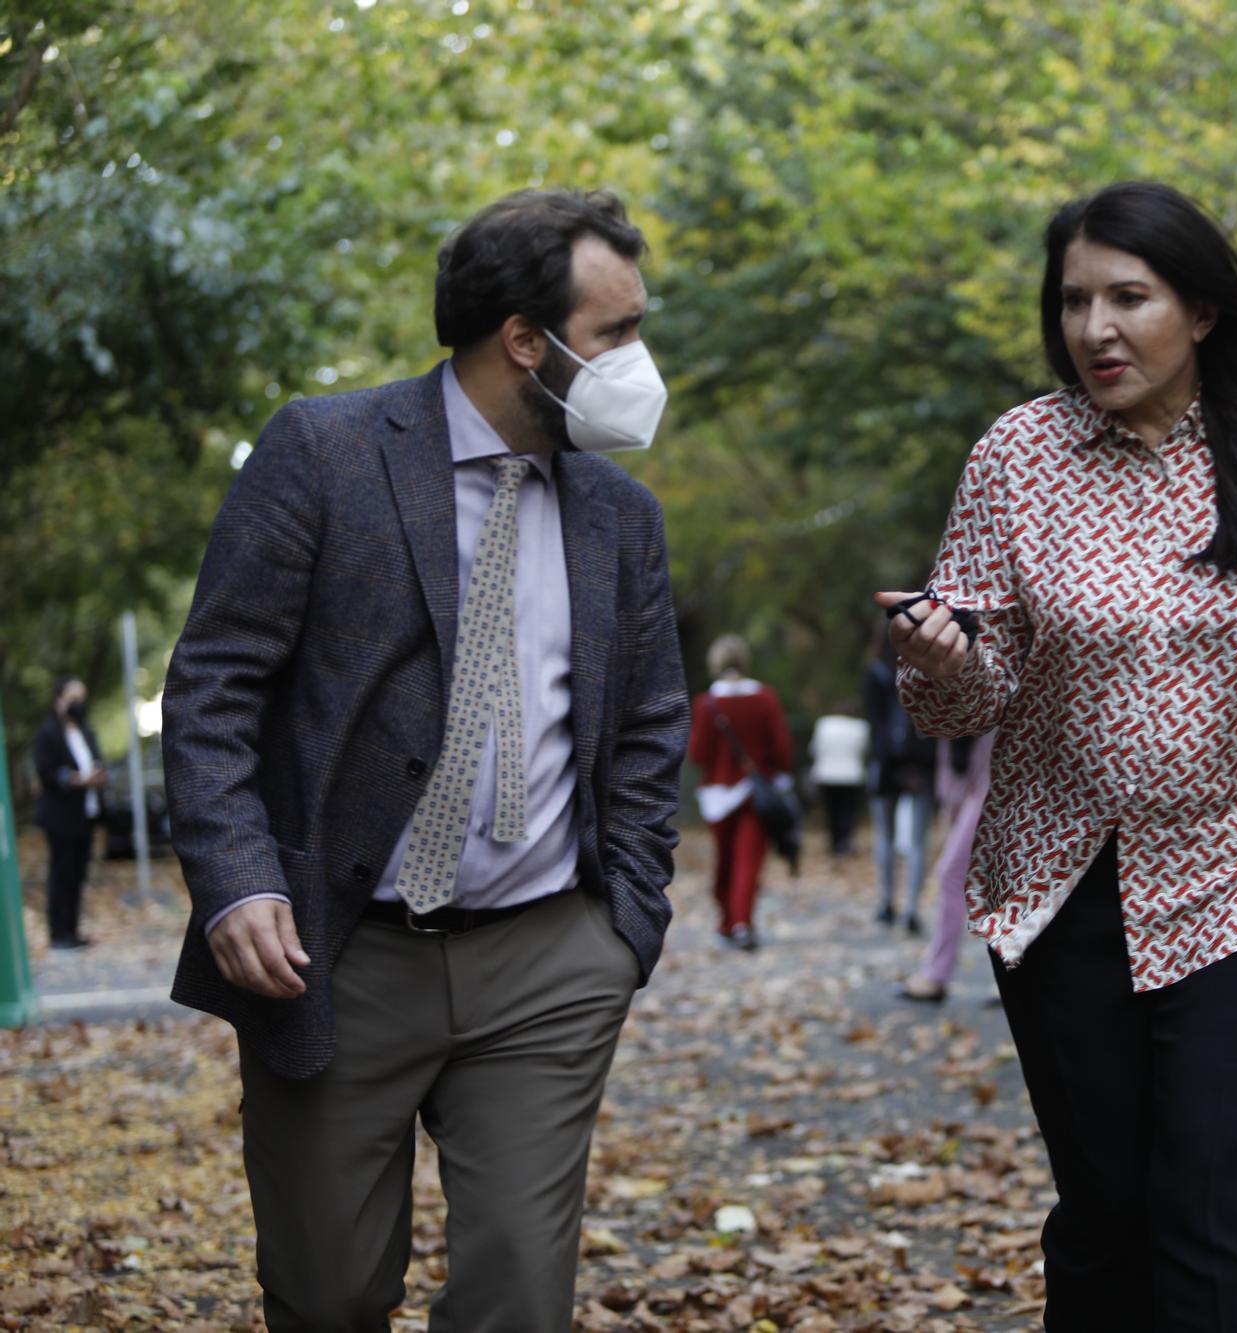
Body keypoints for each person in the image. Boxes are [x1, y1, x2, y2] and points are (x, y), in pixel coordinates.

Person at [877, 180, 1237, 1329]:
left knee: (1213, 1197)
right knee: (1108, 1207)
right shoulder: (1017, 456)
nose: (1095, 330)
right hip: (1064, 878)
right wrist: (934, 656)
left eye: (1129, 297)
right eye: (1073, 301)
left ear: (1203, 310)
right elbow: (972, 702)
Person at [162, 188, 687, 1330]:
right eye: (618, 333)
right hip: (336, 951)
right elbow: (213, 685)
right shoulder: (327, 451)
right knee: (330, 1292)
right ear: (523, 341)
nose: (640, 361)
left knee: (517, 1296)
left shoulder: (620, 517)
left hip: (547, 961)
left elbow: (649, 726)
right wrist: (238, 878)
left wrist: (623, 926)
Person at [687, 634, 794, 949]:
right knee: (748, 859)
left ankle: (724, 922)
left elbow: (697, 754)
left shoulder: (707, 704)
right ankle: (742, 922)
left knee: (724, 859)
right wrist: (777, 773)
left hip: (717, 797)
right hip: (754, 792)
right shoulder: (765, 698)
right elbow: (782, 748)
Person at [897, 730, 996, 1003]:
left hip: (993, 784)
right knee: (992, 878)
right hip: (967, 786)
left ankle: (936, 974)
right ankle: (938, 973)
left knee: (951, 873)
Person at [863, 627, 937, 933]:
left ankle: (886, 903)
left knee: (885, 837)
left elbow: (874, 724)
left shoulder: (876, 672)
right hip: (922, 766)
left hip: (885, 765)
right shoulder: (928, 670)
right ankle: (911, 909)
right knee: (919, 841)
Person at [32, 677, 108, 950]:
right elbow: (47, 772)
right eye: (74, 698)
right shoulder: (48, 734)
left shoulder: (85, 732)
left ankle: (72, 930)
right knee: (61, 873)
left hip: (85, 814)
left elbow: (97, 763)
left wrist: (97, 776)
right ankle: (59, 932)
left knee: (78, 873)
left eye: (82, 699)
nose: (79, 705)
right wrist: (77, 780)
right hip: (60, 816)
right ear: (59, 700)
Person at [808, 700, 868, 855]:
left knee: (831, 811)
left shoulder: (825, 724)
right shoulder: (860, 727)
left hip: (826, 774)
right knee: (847, 811)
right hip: (851, 776)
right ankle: (844, 842)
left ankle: (834, 842)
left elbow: (814, 749)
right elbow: (864, 750)